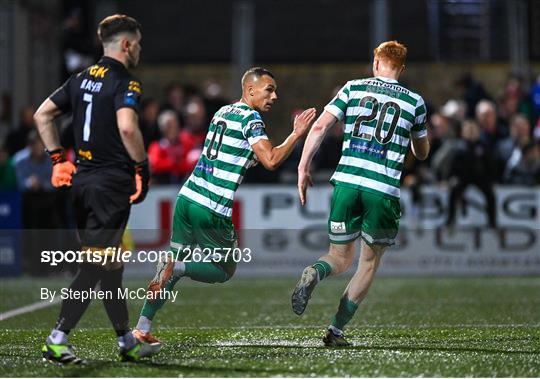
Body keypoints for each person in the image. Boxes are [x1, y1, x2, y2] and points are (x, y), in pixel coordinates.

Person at [132, 67, 316, 347]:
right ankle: (179, 267)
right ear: (250, 90)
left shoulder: (222, 112)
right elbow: (271, 161)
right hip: (211, 207)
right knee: (223, 270)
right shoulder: (251, 119)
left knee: (166, 271)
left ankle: (141, 328)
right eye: (269, 89)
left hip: (187, 198)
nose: (275, 96)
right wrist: (296, 135)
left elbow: (236, 155)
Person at [33, 14, 156, 363]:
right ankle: (57, 338)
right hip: (110, 184)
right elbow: (128, 128)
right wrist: (142, 170)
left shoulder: (81, 78)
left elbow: (43, 115)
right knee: (93, 266)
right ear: (127, 44)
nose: (140, 50)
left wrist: (58, 158)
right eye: (139, 44)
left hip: (83, 183)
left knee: (111, 264)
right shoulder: (125, 82)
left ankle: (126, 341)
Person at [291, 41, 430, 346]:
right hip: (382, 190)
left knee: (339, 258)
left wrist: (303, 168)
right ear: (402, 68)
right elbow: (421, 153)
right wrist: (415, 143)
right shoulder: (415, 102)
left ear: (376, 62)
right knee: (367, 265)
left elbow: (319, 128)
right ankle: (335, 331)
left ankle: (315, 272)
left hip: (347, 184)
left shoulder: (352, 88)